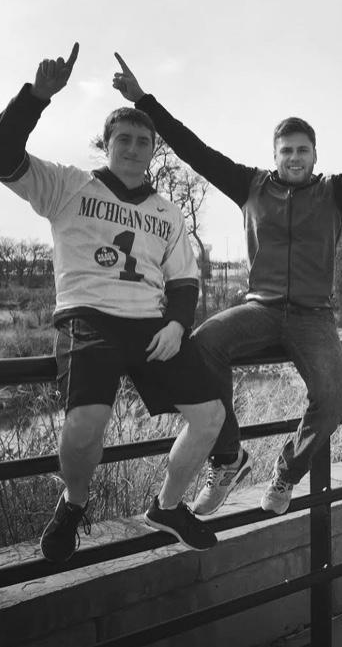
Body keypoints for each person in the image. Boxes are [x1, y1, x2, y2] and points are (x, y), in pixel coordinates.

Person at [112, 53, 342, 515]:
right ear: (275, 156)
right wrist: (143, 100)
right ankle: (228, 458)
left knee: (333, 400)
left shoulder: (337, 192)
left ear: (315, 155)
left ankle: (286, 473)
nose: (294, 157)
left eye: (302, 150)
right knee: (204, 343)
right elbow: (194, 149)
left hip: (313, 316)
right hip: (261, 309)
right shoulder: (249, 186)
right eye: (286, 150)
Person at [0, 44, 230, 562]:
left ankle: (168, 507)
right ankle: (73, 502)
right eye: (122, 139)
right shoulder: (68, 185)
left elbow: (183, 280)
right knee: (85, 425)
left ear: (153, 151)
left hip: (151, 324)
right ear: (106, 145)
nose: (133, 148)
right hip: (89, 318)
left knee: (210, 415)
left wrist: (178, 324)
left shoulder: (167, 212)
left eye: (143, 141)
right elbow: (3, 155)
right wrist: (36, 96)